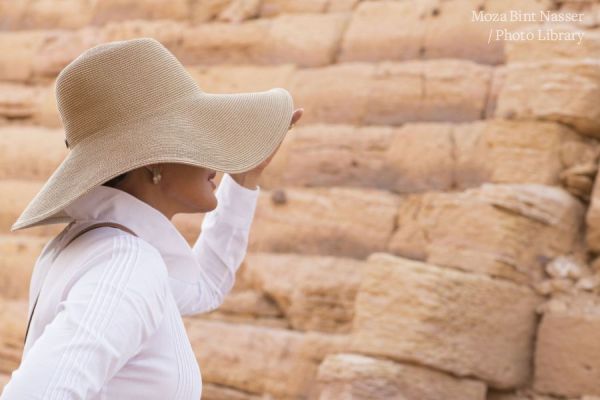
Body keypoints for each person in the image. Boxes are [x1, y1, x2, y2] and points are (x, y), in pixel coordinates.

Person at [1, 37, 303, 399]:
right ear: (153, 159)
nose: (215, 160)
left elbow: (205, 286)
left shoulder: (87, 244)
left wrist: (243, 179)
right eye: (196, 138)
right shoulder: (127, 263)